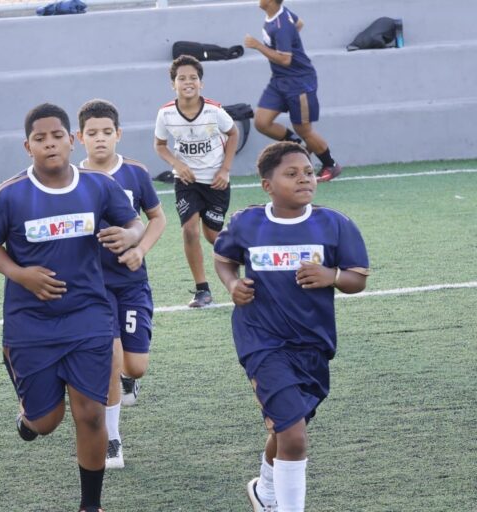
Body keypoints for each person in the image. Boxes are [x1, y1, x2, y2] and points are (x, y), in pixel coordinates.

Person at [0, 103, 144, 512]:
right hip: (30, 323)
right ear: (27, 146)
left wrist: (131, 236)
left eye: (57, 136)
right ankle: (28, 413)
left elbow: (135, 222)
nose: (49, 144)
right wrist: (21, 274)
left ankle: (91, 505)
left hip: (88, 316)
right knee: (46, 423)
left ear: (72, 141)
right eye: (40, 139)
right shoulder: (10, 195)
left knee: (90, 414)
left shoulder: (97, 186)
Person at [213, 141, 369, 512]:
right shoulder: (247, 222)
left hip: (312, 344)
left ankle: (265, 492)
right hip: (261, 341)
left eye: (309, 172)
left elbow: (357, 279)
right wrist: (233, 285)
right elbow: (223, 259)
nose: (304, 179)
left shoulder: (335, 224)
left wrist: (331, 275)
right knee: (294, 436)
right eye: (292, 173)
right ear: (267, 185)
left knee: (287, 429)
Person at [76, 99, 166, 469]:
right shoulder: (70, 178)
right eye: (92, 133)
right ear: (79, 138)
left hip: (131, 283)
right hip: (91, 287)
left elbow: (156, 218)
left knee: (136, 364)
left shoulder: (135, 173)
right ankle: (111, 440)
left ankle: (131, 381)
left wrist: (139, 247)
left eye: (107, 133)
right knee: (109, 363)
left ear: (118, 134)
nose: (100, 140)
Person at [154, 54, 239, 308]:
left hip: (215, 182)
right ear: (173, 84)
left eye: (193, 78)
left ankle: (242, 274)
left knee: (214, 237)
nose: (188, 82)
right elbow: (159, 145)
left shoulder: (214, 111)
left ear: (201, 83)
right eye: (182, 78)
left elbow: (233, 134)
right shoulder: (165, 114)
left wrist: (225, 169)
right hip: (186, 182)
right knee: (190, 230)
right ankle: (203, 291)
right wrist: (178, 165)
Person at [244, 0, 342, 182]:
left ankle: (330, 164)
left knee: (304, 129)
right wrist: (290, 41)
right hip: (279, 81)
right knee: (262, 122)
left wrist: (258, 46)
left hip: (299, 82)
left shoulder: (281, 27)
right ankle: (296, 143)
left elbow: (285, 60)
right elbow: (299, 23)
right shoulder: (279, 14)